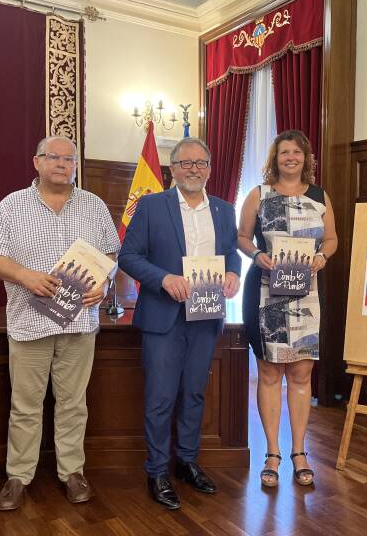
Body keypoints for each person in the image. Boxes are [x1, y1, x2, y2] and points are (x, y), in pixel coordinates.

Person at [0, 135, 120, 511]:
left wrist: (104, 283)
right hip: (29, 323)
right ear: (36, 162)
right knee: (26, 405)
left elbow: (110, 252)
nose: (61, 164)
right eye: (52, 157)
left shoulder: (93, 205)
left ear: (75, 166)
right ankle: (18, 476)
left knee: (74, 404)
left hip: (80, 324)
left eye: (69, 159)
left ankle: (72, 472)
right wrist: (25, 276)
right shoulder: (12, 206)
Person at [118, 137, 241, 510]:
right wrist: (163, 279)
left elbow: (231, 254)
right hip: (163, 317)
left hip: (206, 315)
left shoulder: (223, 210)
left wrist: (234, 274)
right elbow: (129, 255)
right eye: (185, 163)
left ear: (209, 169)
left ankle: (186, 461)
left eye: (200, 163)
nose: (193, 169)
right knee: (160, 398)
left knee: (194, 393)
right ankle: (157, 470)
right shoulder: (152, 206)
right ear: (173, 169)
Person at [238, 130, 337, 488]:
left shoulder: (319, 196)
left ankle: (299, 451)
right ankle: (272, 452)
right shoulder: (259, 195)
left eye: (297, 152)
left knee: (300, 376)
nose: (290, 158)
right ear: (275, 159)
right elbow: (242, 237)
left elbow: (331, 238)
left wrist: (323, 256)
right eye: (284, 153)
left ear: (306, 158)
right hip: (264, 293)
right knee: (268, 375)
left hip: (306, 294)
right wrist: (256, 254)